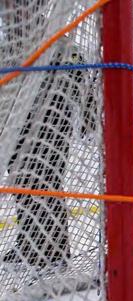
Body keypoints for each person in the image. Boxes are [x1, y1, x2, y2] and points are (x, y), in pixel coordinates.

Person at [2, 47, 95, 270]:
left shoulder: (59, 40)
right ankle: (28, 244)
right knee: (21, 185)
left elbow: (81, 74)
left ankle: (55, 251)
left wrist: (87, 120)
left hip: (51, 120)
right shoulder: (14, 43)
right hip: (18, 121)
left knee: (45, 181)